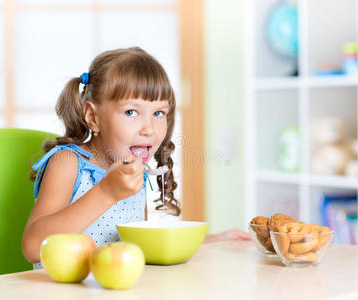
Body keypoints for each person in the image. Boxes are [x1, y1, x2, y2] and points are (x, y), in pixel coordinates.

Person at [22, 47, 249, 265]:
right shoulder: (68, 163)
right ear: (93, 117)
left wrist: (213, 241)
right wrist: (106, 192)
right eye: (131, 112)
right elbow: (33, 247)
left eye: (158, 113)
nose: (148, 129)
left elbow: (143, 244)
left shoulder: (133, 176)